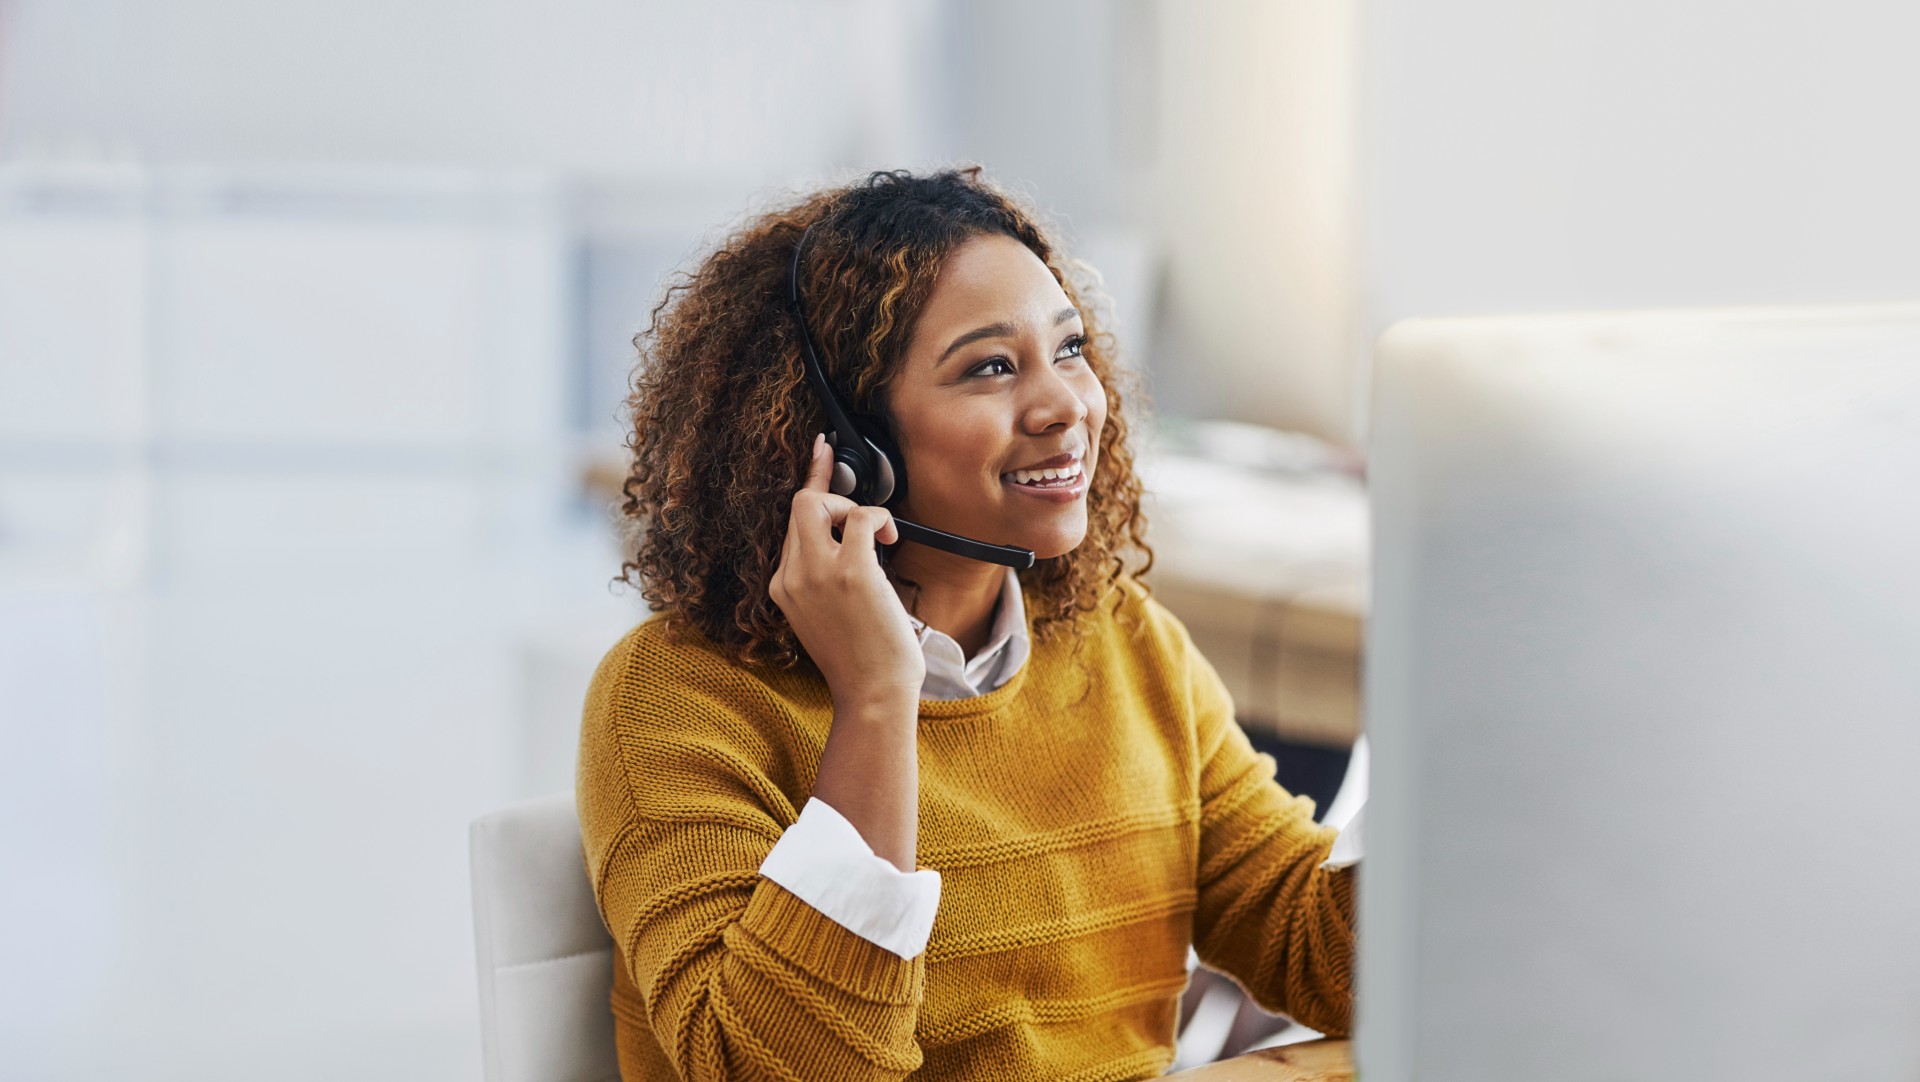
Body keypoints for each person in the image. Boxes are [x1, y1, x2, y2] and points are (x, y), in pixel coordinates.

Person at [577, 167, 1355, 1081]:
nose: (1067, 405)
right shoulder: (675, 700)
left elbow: (1317, 949)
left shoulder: (1121, 639)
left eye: (1069, 351)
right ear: (845, 445)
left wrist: (1473, 748)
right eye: (991, 367)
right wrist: (875, 701)